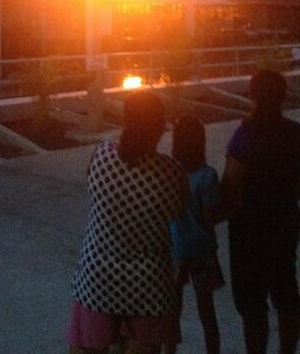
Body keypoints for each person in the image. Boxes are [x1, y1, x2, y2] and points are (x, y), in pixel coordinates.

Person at [67, 91, 186, 354]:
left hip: (97, 279)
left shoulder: (102, 156)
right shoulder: (171, 173)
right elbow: (179, 214)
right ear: (158, 127)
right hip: (148, 286)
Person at [221, 70, 300, 354]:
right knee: (286, 295)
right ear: (282, 96)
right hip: (284, 228)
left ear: (252, 96)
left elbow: (230, 188)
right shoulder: (294, 134)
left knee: (253, 307)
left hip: (248, 235)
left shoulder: (244, 137)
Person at [165, 115, 225, 354]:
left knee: (172, 312)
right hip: (202, 250)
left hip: (176, 249)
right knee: (207, 312)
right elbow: (209, 219)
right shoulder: (207, 176)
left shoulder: (170, 172)